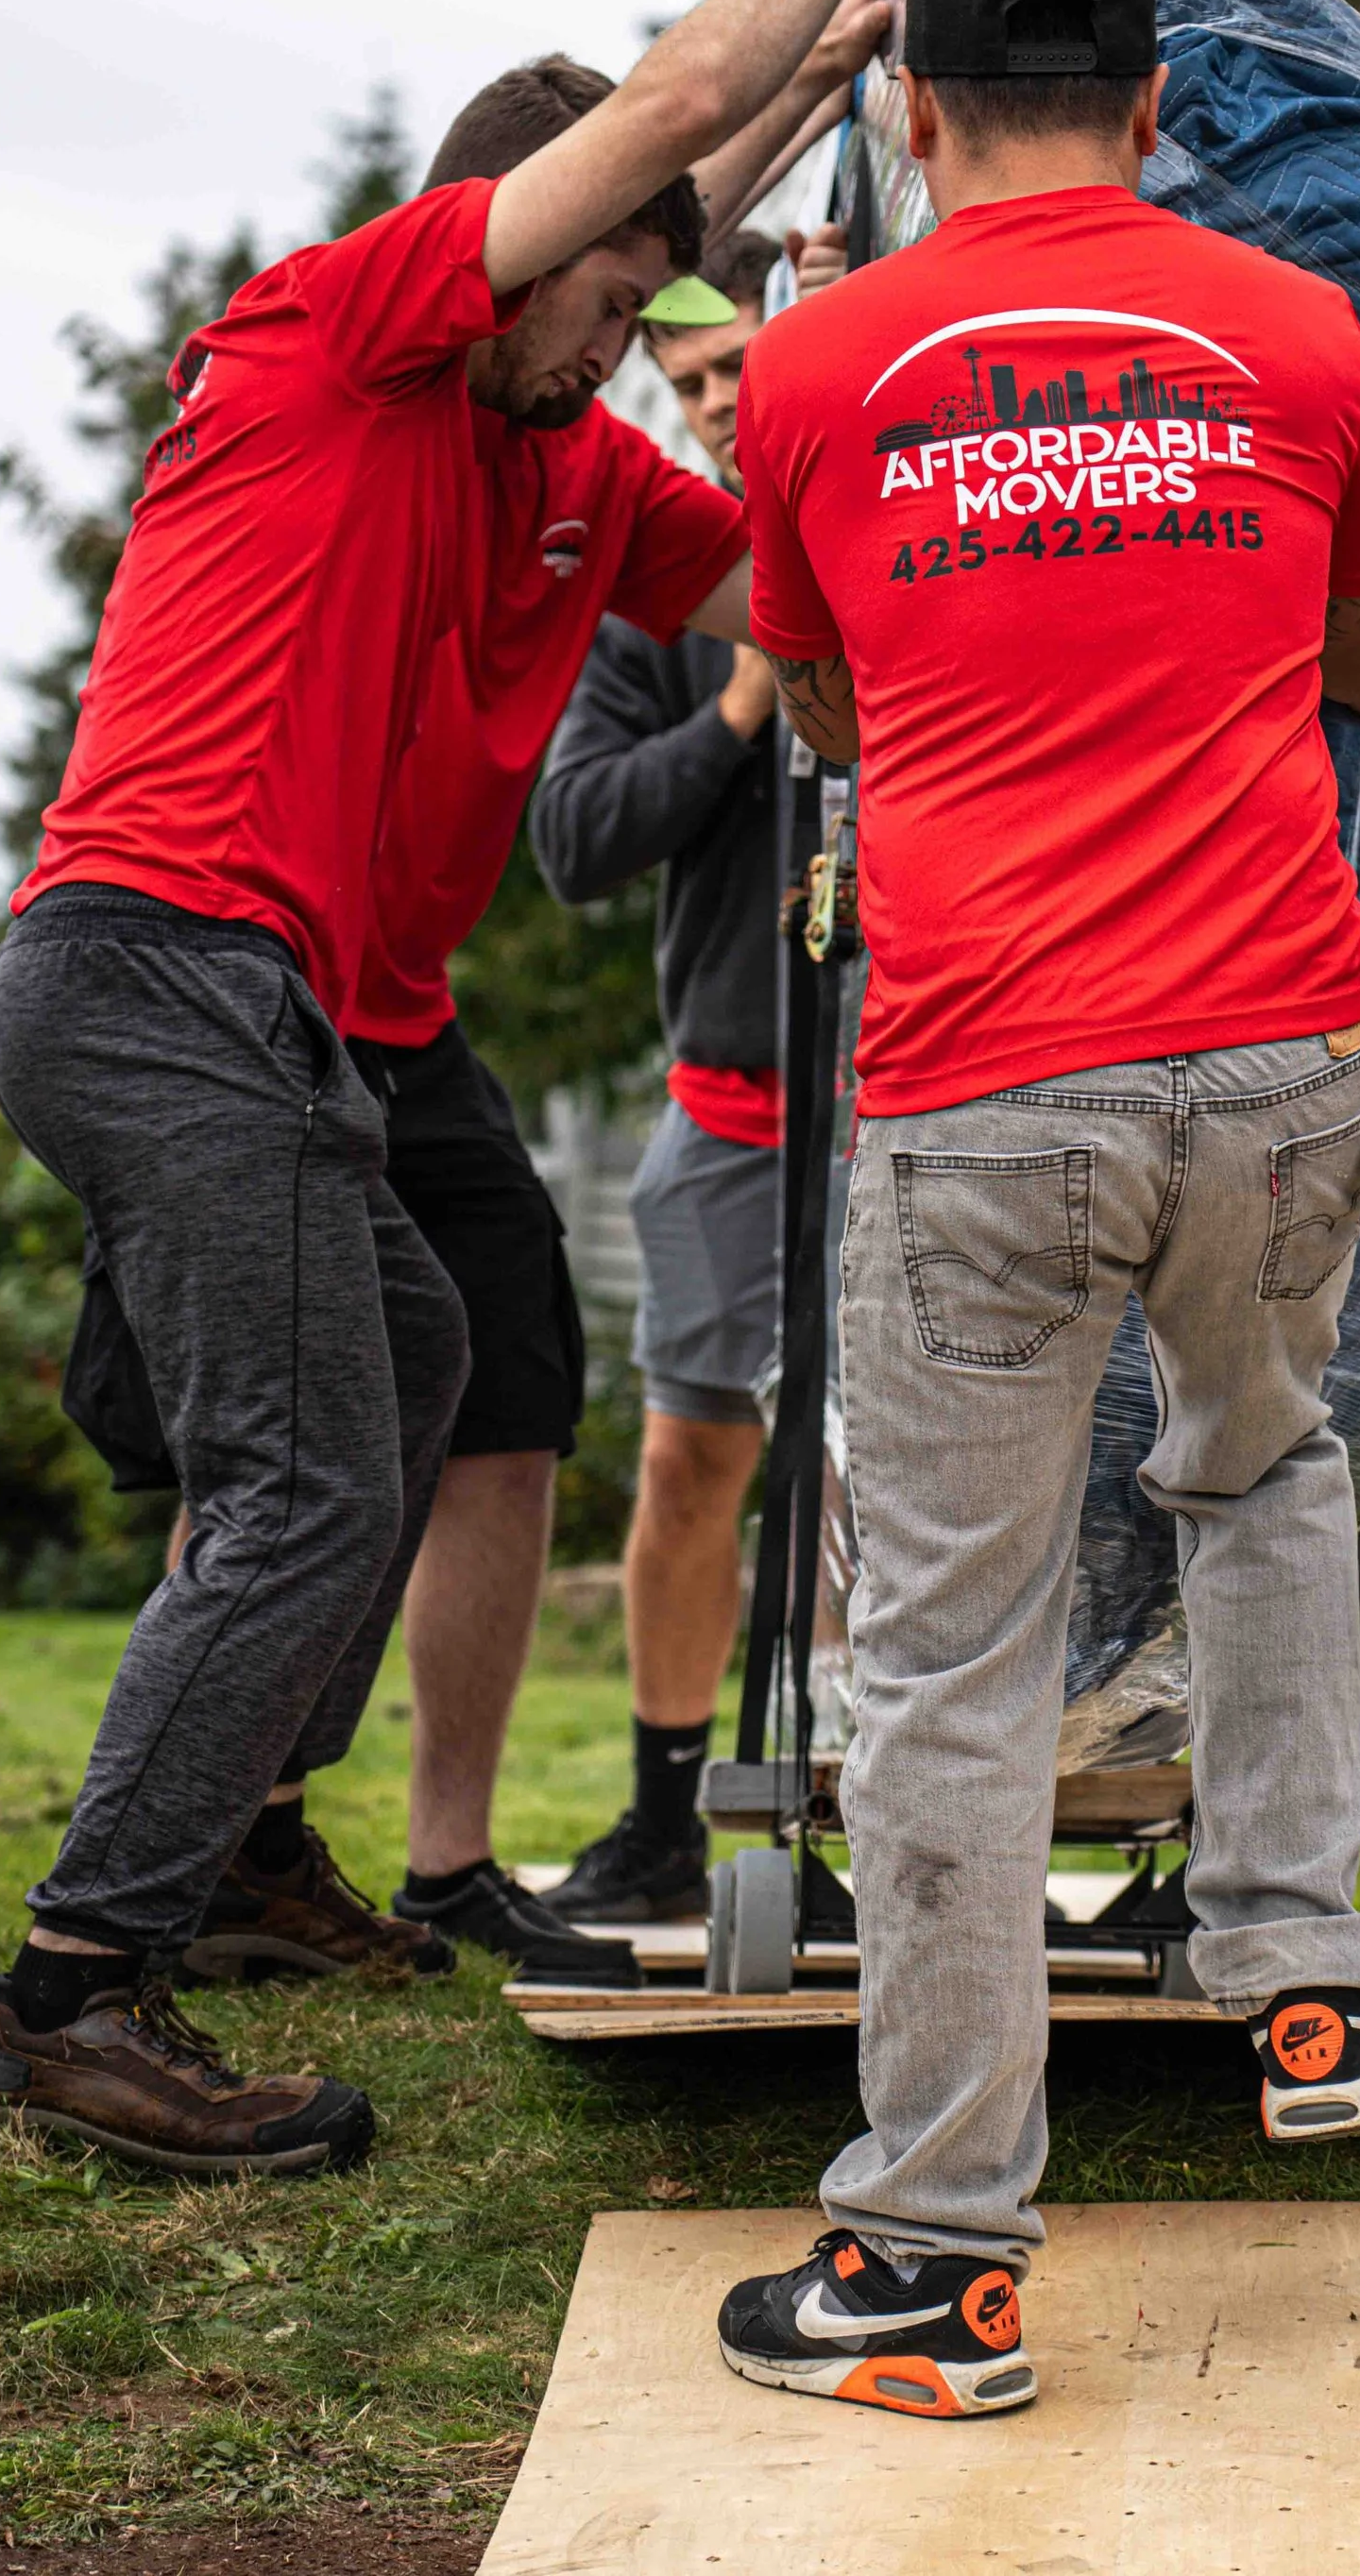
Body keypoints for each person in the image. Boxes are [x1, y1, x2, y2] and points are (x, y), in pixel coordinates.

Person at [0, 0, 937, 2179]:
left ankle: (230, 1853)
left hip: (265, 1004)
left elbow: (795, 599)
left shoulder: (557, 451)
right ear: (504, 234)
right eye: (590, 295)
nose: (609, 347)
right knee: (297, 1479)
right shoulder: (346, 319)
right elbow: (676, 95)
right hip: (152, 966)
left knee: (408, 1361)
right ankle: (72, 1997)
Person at [710, 0, 1360, 2419]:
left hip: (985, 1076)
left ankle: (929, 2261)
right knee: (1262, 1469)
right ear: (1154, 106)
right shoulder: (1308, 337)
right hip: (1270, 1051)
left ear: (911, 108)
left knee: (939, 1657)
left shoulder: (806, 369)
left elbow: (811, 694)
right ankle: (1305, 1972)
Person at [528, 226, 791, 1927]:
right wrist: (745, 702)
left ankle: (887, 1825)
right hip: (731, 1113)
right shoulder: (659, 600)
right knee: (690, 1465)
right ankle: (660, 1818)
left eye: (735, 369)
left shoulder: (931, 533)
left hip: (924, 1106)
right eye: (683, 381)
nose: (707, 404)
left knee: (901, 1492)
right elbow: (571, 836)